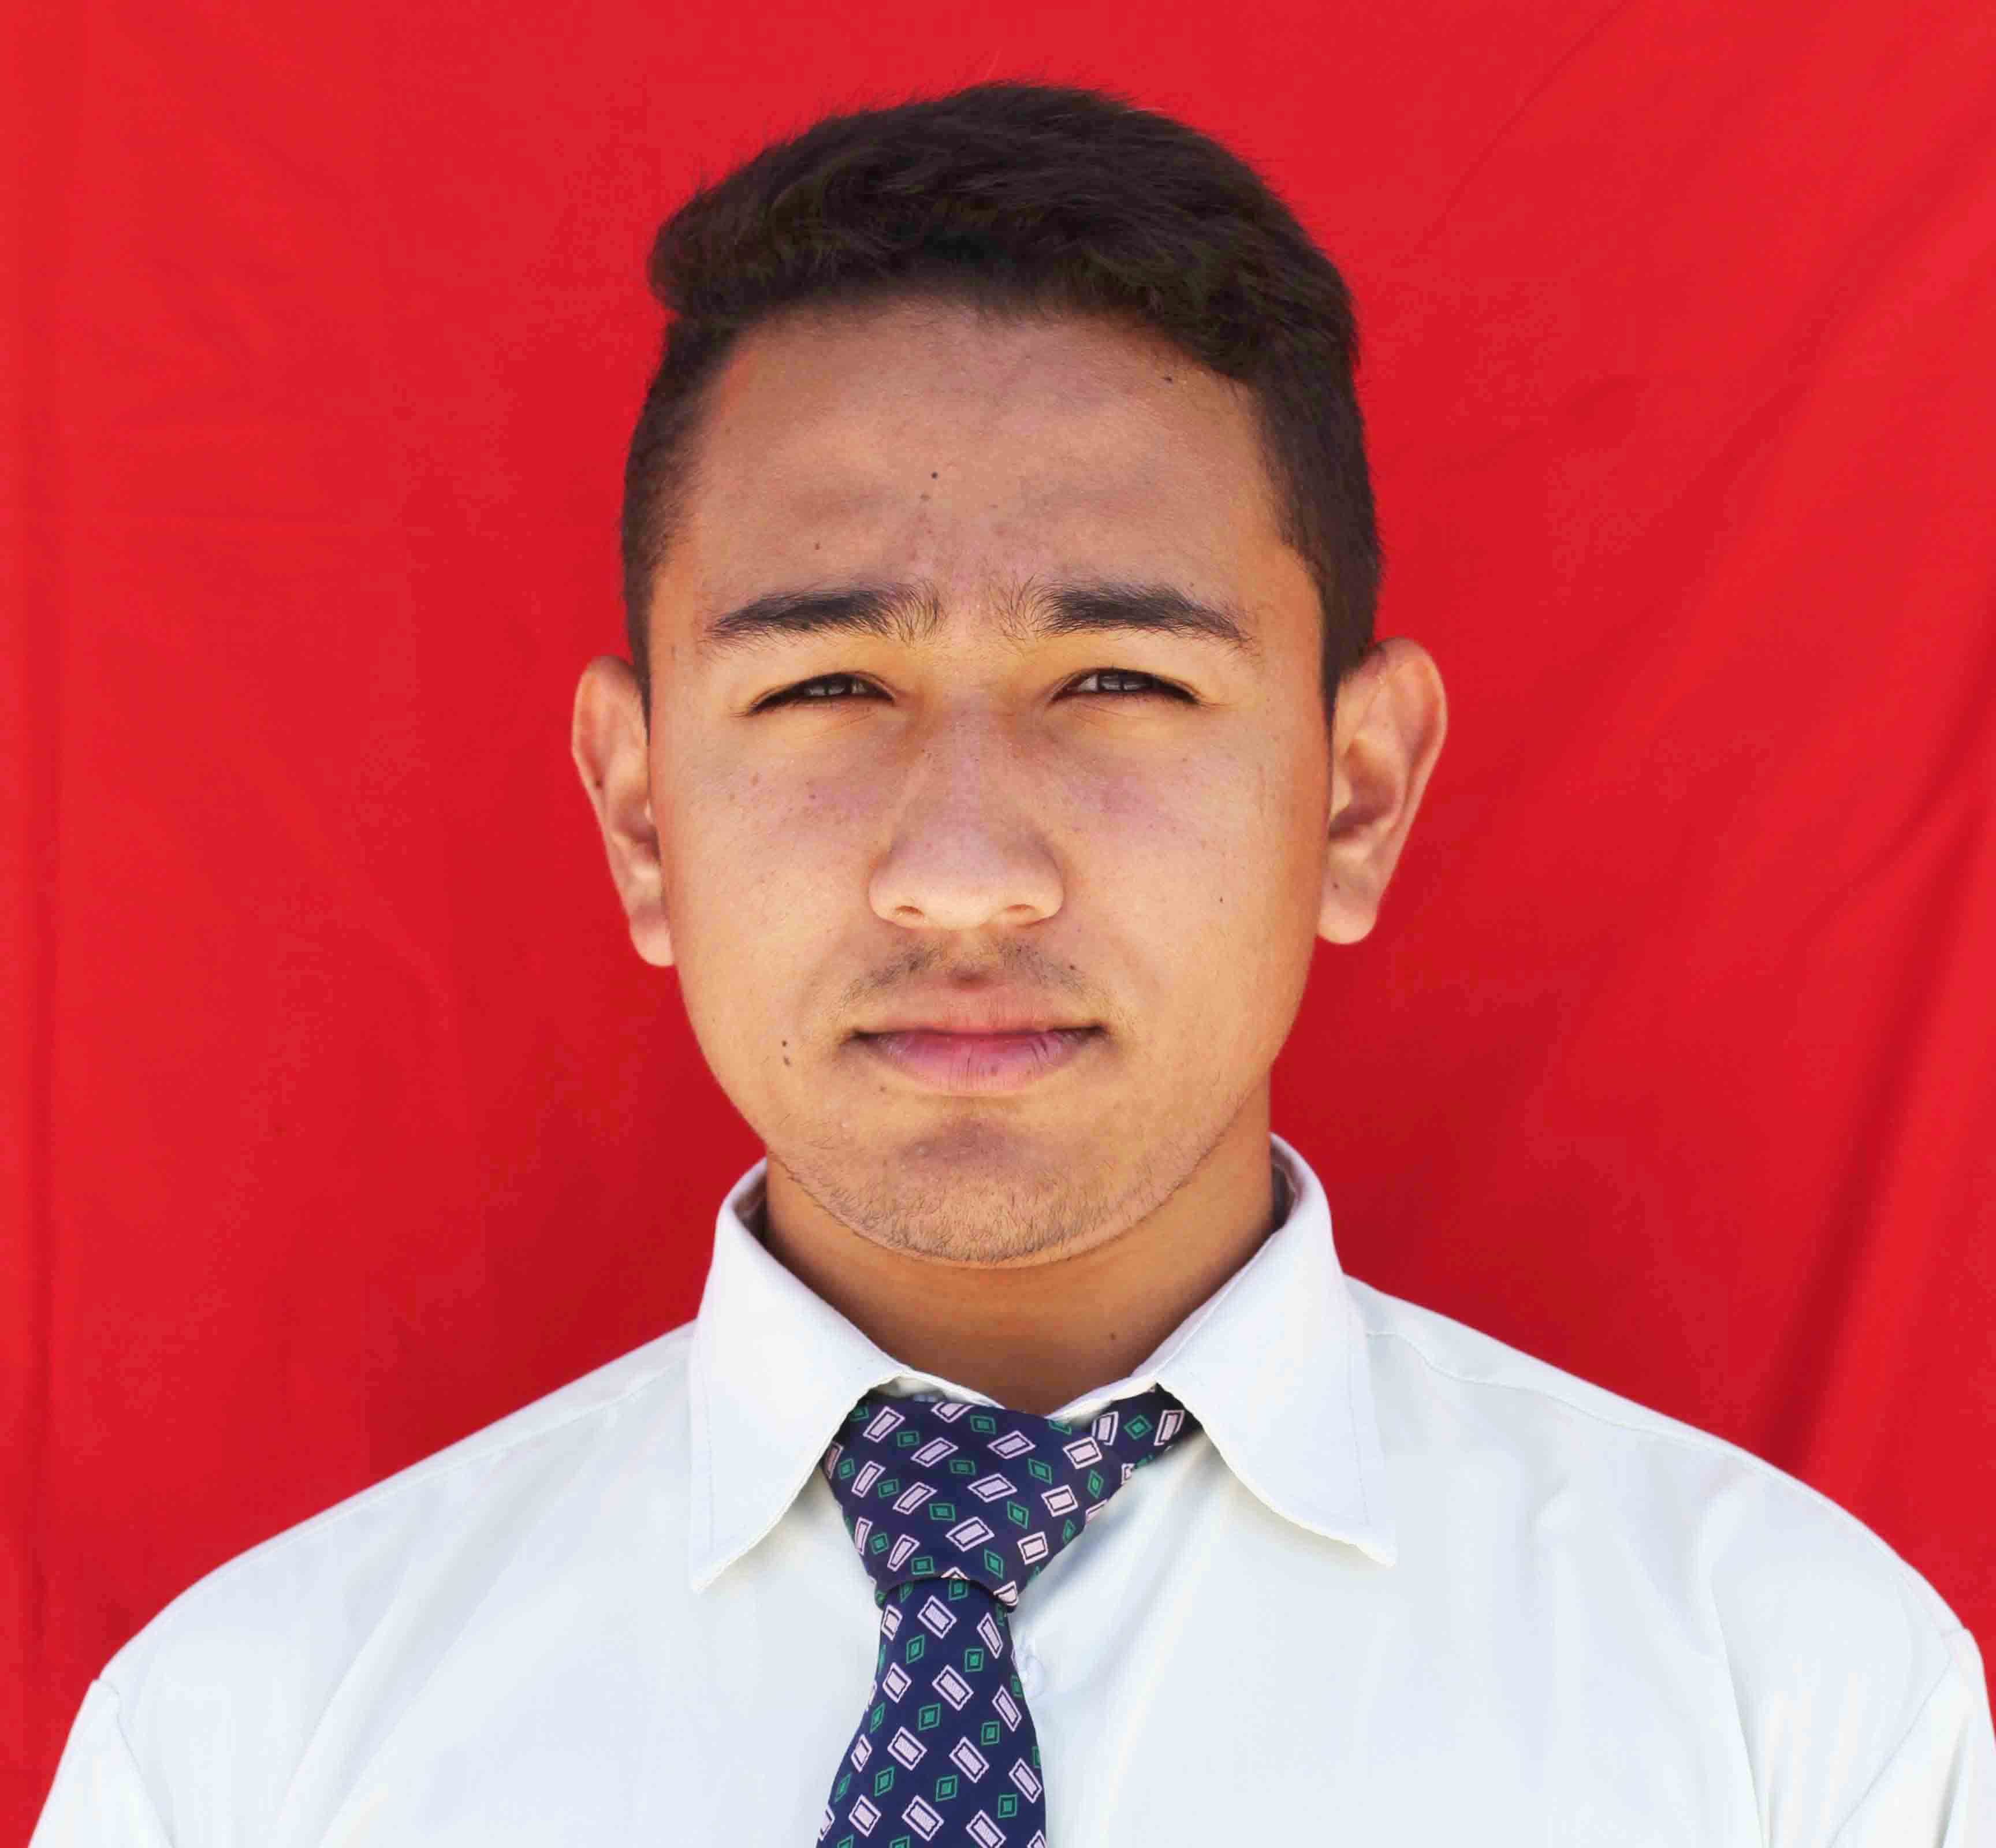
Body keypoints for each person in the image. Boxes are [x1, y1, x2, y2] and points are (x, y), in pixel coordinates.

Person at [31, 77, 1994, 1847]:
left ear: (1355, 796)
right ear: (639, 816)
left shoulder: (1792, 1716)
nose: (963, 881)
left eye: (1121, 681)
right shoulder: (247, 1756)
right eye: (825, 688)